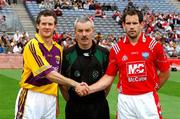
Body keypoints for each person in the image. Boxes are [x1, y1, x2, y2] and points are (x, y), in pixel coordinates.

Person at [76, 9, 170, 119]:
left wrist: (154, 88)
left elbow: (165, 72)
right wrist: (89, 89)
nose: (131, 26)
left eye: (135, 23)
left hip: (147, 99)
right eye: (128, 23)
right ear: (123, 25)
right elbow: (109, 76)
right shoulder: (116, 49)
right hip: (125, 100)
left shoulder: (154, 46)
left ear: (141, 24)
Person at [14, 10, 86, 119]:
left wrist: (55, 100)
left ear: (55, 26)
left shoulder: (58, 49)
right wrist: (75, 84)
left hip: (50, 99)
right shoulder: (32, 45)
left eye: (50, 24)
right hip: (32, 96)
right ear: (37, 25)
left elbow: (58, 78)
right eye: (43, 24)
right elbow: (49, 74)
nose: (47, 27)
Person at [60, 15, 110, 119]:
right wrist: (73, 101)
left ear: (93, 31)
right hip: (75, 108)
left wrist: (97, 98)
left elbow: (108, 81)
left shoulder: (104, 53)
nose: (84, 34)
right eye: (80, 31)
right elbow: (63, 85)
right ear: (75, 32)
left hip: (99, 107)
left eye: (87, 30)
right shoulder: (66, 54)